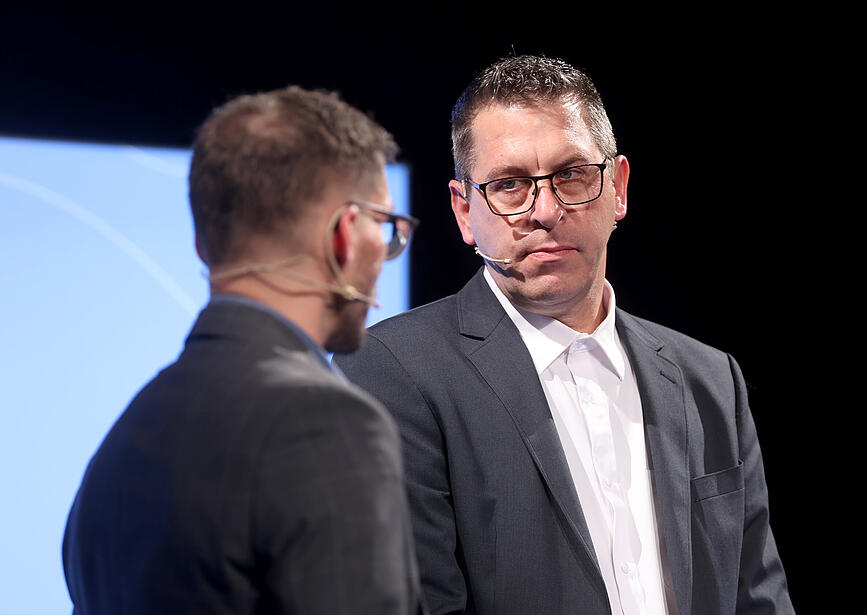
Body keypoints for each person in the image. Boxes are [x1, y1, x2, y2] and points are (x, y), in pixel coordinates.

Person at [334, 56, 794, 615]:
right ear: (463, 210)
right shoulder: (391, 371)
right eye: (509, 185)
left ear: (618, 188)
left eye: (572, 175)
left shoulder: (711, 379)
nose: (545, 210)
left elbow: (759, 600)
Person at [62, 87, 424, 614]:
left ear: (204, 246)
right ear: (345, 235)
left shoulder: (120, 445)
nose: (385, 256)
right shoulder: (326, 424)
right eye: (384, 226)